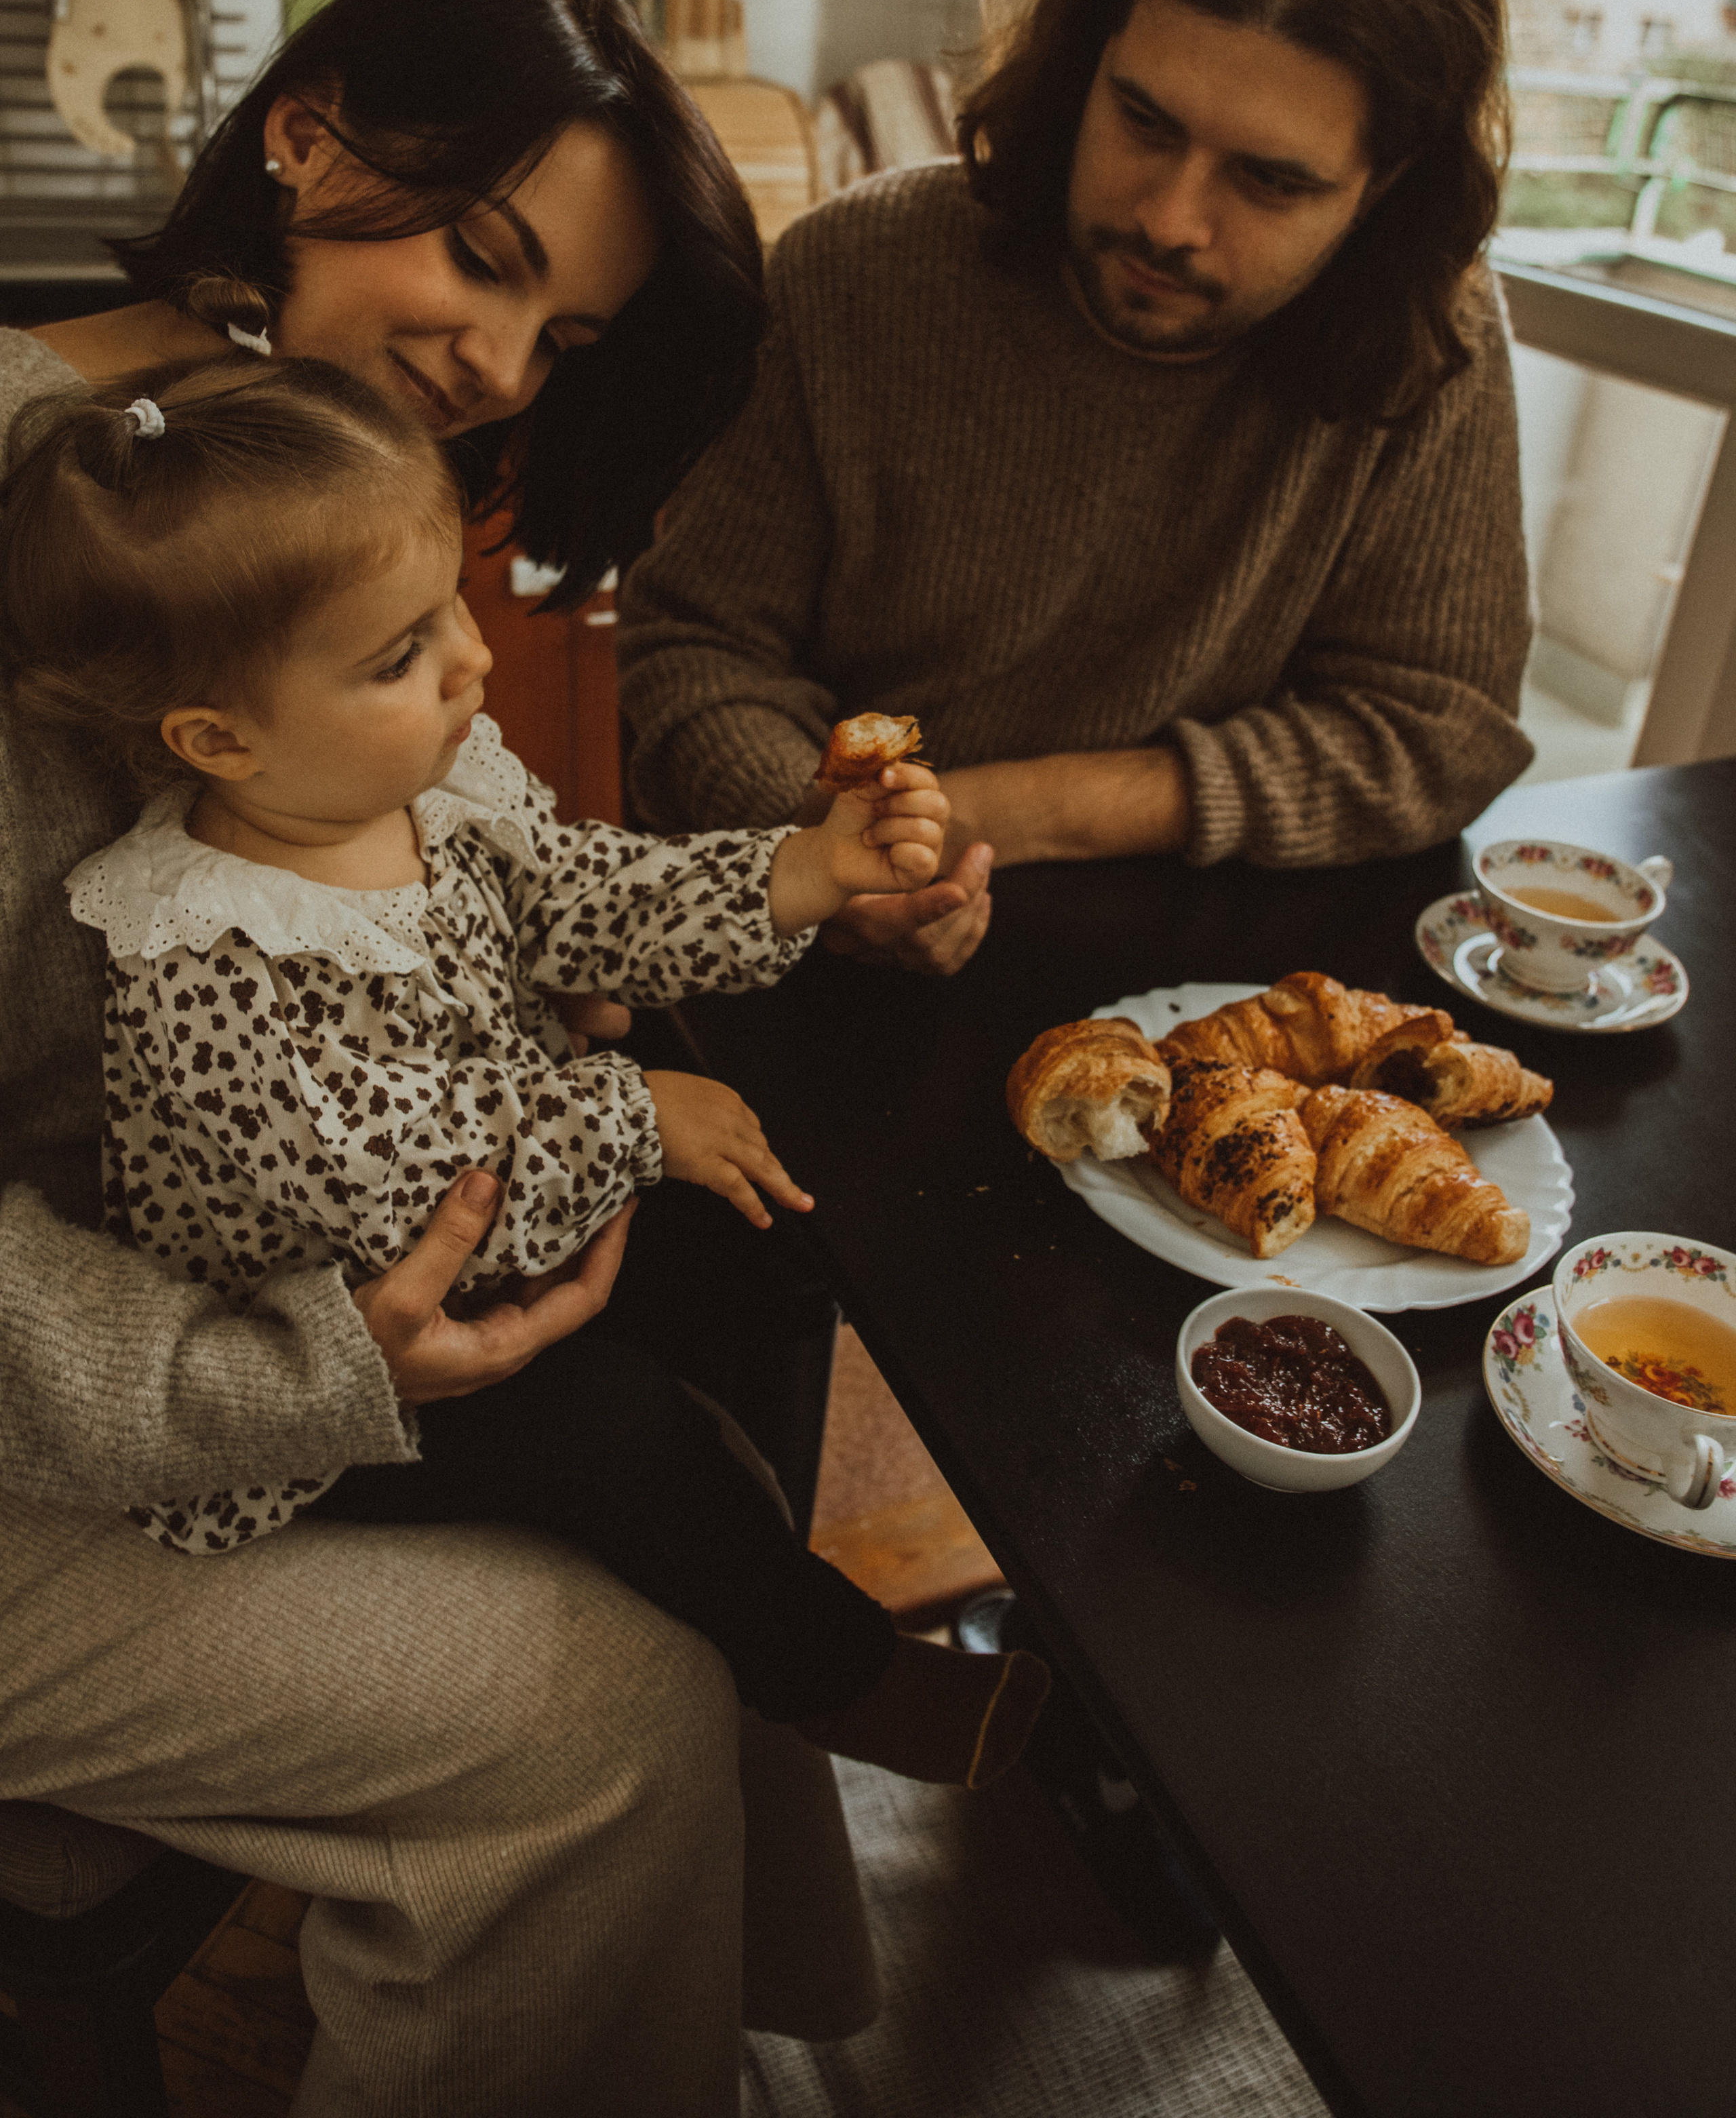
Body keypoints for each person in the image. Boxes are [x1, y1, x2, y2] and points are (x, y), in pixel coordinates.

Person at [0, 0, 879, 2115]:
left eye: (555, 329)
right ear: (300, 137)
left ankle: (681, 2021)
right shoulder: (77, 519)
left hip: (216, 1311)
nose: (497, 361)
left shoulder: (308, 485)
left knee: (731, 1343)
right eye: (479, 257)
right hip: (95, 1388)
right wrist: (256, 1376)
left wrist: (755, 898)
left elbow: (498, 834)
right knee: (598, 1709)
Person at [1, 352, 1047, 1787]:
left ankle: (749, 1557)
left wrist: (804, 871)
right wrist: (627, 1117)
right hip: (329, 1373)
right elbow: (391, 1189)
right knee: (603, 1430)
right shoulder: (204, 949)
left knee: (756, 1259)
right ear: (217, 738)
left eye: (447, 607)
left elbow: (586, 891)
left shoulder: (421, 792)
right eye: (398, 657)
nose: (471, 660)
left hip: (508, 1227)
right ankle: (839, 1678)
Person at [617, 0, 1536, 976]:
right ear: (1084, 54)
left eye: (1270, 182)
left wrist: (1027, 808)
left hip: (1221, 971)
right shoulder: (854, 274)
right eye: (1144, 120)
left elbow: (1439, 731)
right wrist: (826, 852)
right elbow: (697, 652)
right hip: (827, 958)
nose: (1170, 220)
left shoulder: (1430, 340)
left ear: (1386, 184)